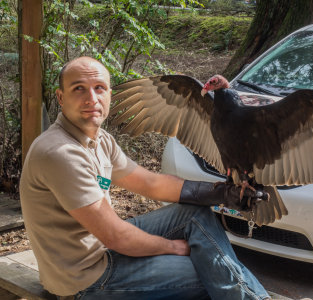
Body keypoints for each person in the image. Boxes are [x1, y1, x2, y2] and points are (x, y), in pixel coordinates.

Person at [19, 56, 270, 300]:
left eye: (99, 88)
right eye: (79, 89)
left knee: (197, 218)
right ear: (61, 97)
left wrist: (220, 194)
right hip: (84, 278)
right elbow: (116, 236)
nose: (92, 98)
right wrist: (173, 248)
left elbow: (150, 183)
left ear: (108, 94)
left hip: (103, 250)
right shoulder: (60, 153)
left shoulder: (100, 141)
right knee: (209, 273)